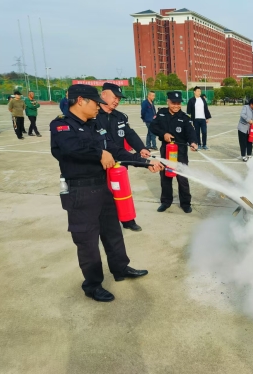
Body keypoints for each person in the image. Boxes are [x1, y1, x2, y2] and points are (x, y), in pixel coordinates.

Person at [50, 84, 163, 302]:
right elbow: (70, 149)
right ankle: (92, 285)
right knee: (88, 243)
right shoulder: (61, 126)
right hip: (79, 192)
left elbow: (116, 150)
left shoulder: (95, 125)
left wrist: (145, 162)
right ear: (80, 100)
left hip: (102, 187)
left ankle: (120, 268)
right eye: (95, 103)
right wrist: (98, 152)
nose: (98, 107)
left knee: (113, 233)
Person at [95, 83, 150, 232]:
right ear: (103, 94)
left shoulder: (119, 117)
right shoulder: (93, 115)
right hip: (101, 163)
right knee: (104, 195)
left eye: (119, 98)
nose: (117, 101)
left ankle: (128, 220)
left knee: (122, 191)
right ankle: (106, 223)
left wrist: (141, 148)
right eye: (115, 97)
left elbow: (129, 134)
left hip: (120, 162)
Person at [150, 91, 198, 214]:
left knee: (182, 178)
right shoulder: (161, 114)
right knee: (166, 177)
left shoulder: (184, 117)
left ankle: (185, 203)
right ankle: (166, 202)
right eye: (173, 103)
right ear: (168, 102)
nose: (176, 106)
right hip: (166, 150)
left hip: (180, 152)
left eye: (178, 103)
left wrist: (193, 142)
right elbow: (153, 127)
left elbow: (190, 132)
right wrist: (163, 134)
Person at [187, 86, 212, 150]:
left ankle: (204, 145)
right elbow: (188, 111)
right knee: (197, 132)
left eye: (200, 91)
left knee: (204, 132)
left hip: (203, 119)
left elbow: (206, 109)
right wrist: (190, 120)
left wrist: (207, 117)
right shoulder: (191, 100)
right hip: (195, 119)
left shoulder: (203, 99)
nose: (199, 92)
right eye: (198, 91)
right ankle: (199, 144)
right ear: (194, 92)